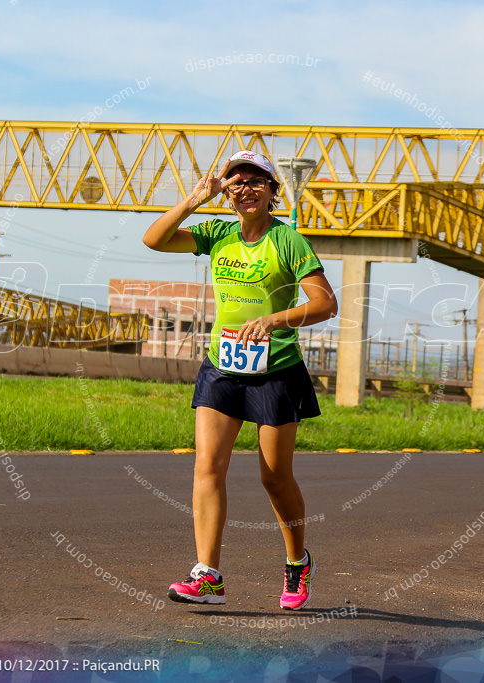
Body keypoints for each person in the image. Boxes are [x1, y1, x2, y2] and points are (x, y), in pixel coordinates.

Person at [142, 150, 338, 609]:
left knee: (274, 478)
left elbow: (326, 304)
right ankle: (207, 575)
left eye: (256, 181)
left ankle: (297, 562)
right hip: (222, 366)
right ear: (226, 192)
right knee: (207, 467)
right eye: (236, 181)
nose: (245, 188)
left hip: (276, 370)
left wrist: (275, 320)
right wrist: (193, 201)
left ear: (272, 191)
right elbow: (154, 240)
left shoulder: (287, 241)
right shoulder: (218, 234)